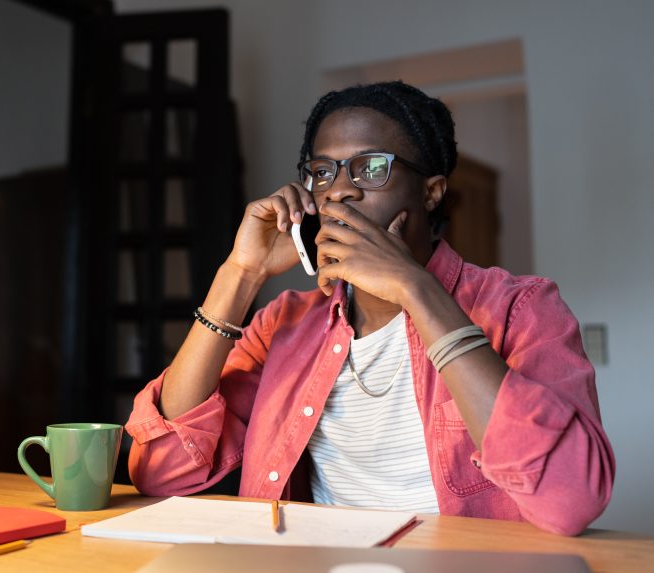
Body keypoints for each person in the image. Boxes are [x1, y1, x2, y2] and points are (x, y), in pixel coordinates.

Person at [125, 81, 614, 536]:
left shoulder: (520, 308)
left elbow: (570, 500)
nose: (340, 189)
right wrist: (241, 273)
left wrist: (414, 288)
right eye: (322, 172)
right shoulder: (286, 323)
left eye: (371, 167)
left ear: (431, 191)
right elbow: (162, 469)